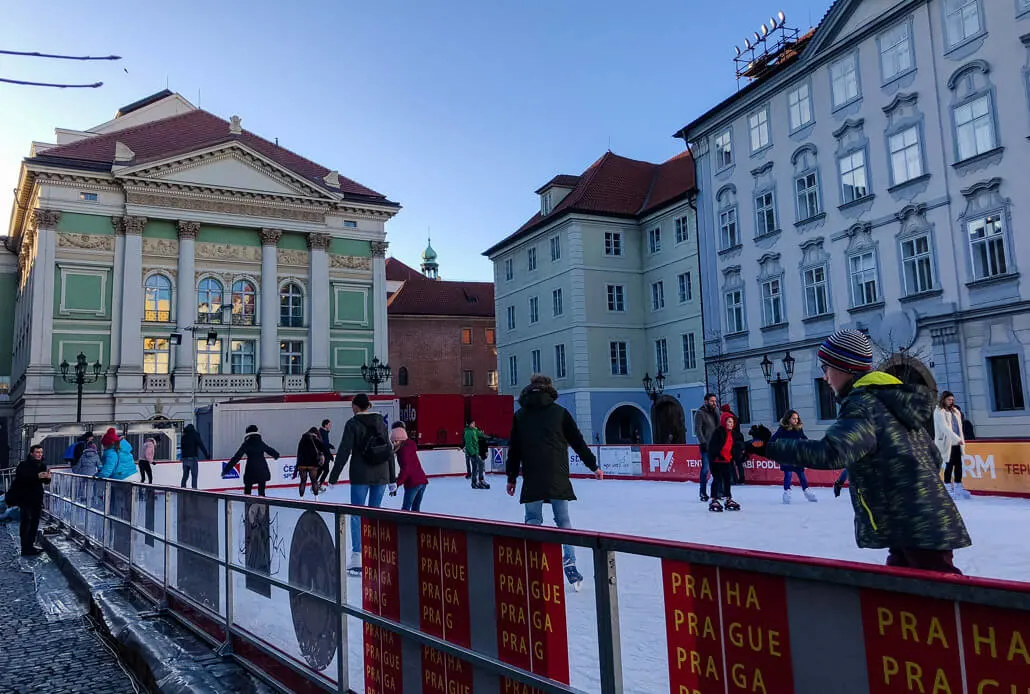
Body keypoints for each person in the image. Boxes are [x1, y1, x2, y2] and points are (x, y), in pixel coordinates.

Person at [750, 329, 971, 574]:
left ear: (846, 369)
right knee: (901, 593)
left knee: (939, 599)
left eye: (826, 369)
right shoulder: (889, 400)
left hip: (913, 521)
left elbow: (832, 452)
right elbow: (933, 456)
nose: (825, 378)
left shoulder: (863, 403)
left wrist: (770, 447)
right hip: (917, 518)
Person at [505, 374, 602, 591]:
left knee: (532, 518)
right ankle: (569, 560)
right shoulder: (559, 413)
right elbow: (577, 441)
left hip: (533, 475)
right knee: (563, 520)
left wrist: (511, 478)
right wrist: (593, 466)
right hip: (557, 473)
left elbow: (515, 450)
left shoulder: (520, 415)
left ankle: (533, 559)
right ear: (549, 390)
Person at [327, 393, 397, 575]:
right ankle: (374, 552)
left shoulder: (352, 424)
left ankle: (358, 555)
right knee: (374, 513)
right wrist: (392, 478)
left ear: (355, 407)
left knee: (357, 513)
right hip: (381, 473)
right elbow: (389, 449)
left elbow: (343, 450)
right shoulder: (381, 421)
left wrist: (333, 477)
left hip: (361, 474)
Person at [10, 445, 50, 555]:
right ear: (32, 453)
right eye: (37, 452)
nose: (40, 454)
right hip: (25, 497)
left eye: (41, 452)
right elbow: (21, 478)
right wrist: (36, 476)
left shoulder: (42, 465)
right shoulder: (23, 465)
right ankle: (25, 547)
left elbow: (45, 482)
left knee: (35, 522)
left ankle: (30, 545)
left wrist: (47, 478)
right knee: (26, 522)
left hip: (37, 497)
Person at [771, 410, 817, 504]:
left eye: (797, 418)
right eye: (794, 418)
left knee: (801, 474)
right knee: (788, 474)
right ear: (788, 419)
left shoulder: (798, 429)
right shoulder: (782, 429)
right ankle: (787, 492)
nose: (796, 420)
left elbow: (803, 437)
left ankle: (807, 491)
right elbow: (773, 439)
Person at [226, 425, 280, 497]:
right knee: (262, 491)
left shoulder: (246, 444)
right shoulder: (260, 443)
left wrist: (227, 469)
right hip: (262, 469)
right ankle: (263, 506)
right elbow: (269, 450)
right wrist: (276, 455)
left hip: (251, 469)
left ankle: (248, 505)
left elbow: (237, 457)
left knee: (248, 490)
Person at [934, 392, 970, 499]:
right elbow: (944, 428)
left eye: (952, 400)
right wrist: (956, 438)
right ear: (943, 399)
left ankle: (958, 486)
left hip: (957, 442)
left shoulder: (955, 411)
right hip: (947, 442)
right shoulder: (939, 411)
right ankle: (948, 487)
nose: (951, 401)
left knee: (958, 465)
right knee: (949, 465)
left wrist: (960, 439)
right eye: (949, 399)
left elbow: (959, 426)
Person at [706, 412, 742, 512]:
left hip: (727, 459)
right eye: (729, 422)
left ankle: (727, 498)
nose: (731, 424)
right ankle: (713, 498)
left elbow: (733, 446)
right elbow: (713, 447)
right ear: (724, 422)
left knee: (727, 479)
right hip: (717, 460)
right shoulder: (718, 432)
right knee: (717, 479)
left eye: (732, 422)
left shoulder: (732, 433)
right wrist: (718, 455)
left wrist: (735, 455)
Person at [391, 423, 429, 512]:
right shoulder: (409, 445)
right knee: (415, 510)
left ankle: (404, 525)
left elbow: (406, 469)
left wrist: (397, 484)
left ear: (401, 439)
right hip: (422, 481)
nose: (394, 443)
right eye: (393, 442)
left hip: (413, 483)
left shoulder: (402, 451)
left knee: (405, 509)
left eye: (396, 441)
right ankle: (416, 525)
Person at [692, 393, 719, 502]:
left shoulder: (716, 411)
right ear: (706, 401)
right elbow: (698, 430)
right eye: (712, 401)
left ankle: (718, 491)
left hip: (717, 445)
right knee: (706, 469)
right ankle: (703, 492)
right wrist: (703, 442)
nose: (714, 403)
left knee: (717, 469)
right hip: (706, 445)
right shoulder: (700, 413)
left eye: (715, 401)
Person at [294, 427, 327, 498]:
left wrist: (298, 464)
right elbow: (323, 449)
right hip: (313, 464)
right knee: (314, 481)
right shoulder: (316, 439)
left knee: (303, 482)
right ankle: (316, 499)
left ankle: (301, 499)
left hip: (302, 464)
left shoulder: (302, 440)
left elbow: (298, 452)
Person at [721, 404, 747, 484]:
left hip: (731, 443)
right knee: (739, 462)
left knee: (731, 462)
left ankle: (734, 479)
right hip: (738, 443)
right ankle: (742, 479)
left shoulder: (726, 419)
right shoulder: (734, 417)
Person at [180, 423, 210, 489]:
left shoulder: (183, 436)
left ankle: (182, 490)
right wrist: (206, 455)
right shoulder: (195, 434)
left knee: (185, 476)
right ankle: (194, 491)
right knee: (194, 476)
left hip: (185, 459)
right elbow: (201, 445)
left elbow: (182, 447)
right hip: (192, 458)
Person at [463, 420, 488, 488]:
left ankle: (475, 482)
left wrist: (487, 436)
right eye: (473, 423)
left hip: (476, 451)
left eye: (474, 423)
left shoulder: (475, 430)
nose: (474, 424)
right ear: (469, 424)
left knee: (475, 467)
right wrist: (472, 453)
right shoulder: (468, 432)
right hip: (472, 453)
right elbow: (468, 444)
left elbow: (480, 434)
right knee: (480, 464)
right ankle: (479, 480)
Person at [316, 419, 335, 492]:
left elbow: (325, 443)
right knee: (326, 470)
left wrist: (330, 445)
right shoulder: (322, 432)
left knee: (320, 470)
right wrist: (329, 455)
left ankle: (316, 484)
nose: (330, 426)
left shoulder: (324, 432)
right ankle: (318, 485)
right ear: (325, 425)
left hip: (324, 454)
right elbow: (322, 444)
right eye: (329, 425)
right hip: (323, 455)